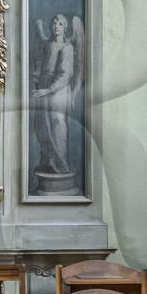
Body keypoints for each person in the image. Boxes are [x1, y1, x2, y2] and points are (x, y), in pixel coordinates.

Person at [32, 13, 83, 180]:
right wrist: (38, 74)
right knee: (42, 126)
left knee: (56, 122)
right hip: (44, 86)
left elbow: (65, 74)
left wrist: (49, 89)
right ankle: (47, 163)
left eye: (60, 24)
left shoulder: (67, 48)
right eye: (54, 23)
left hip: (58, 90)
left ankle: (61, 164)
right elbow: (40, 59)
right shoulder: (47, 44)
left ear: (65, 28)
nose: (56, 26)